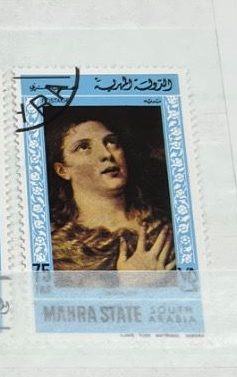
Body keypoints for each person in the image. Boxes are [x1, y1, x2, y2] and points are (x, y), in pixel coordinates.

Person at [48, 116, 175, 273]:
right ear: (62, 170)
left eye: (111, 142)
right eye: (83, 147)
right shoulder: (57, 251)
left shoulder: (165, 223)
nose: (106, 154)